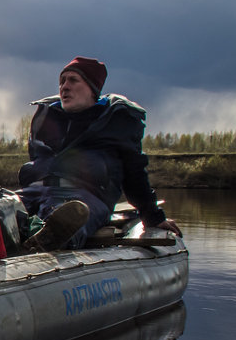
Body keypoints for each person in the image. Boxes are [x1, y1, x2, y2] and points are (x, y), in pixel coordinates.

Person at [18, 56, 182, 252]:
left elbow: (135, 175)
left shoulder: (117, 121)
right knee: (4, 207)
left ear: (92, 88)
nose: (64, 87)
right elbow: (36, 162)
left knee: (70, 217)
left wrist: (153, 217)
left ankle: (49, 239)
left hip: (86, 198)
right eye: (62, 81)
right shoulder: (46, 118)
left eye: (73, 80)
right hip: (38, 191)